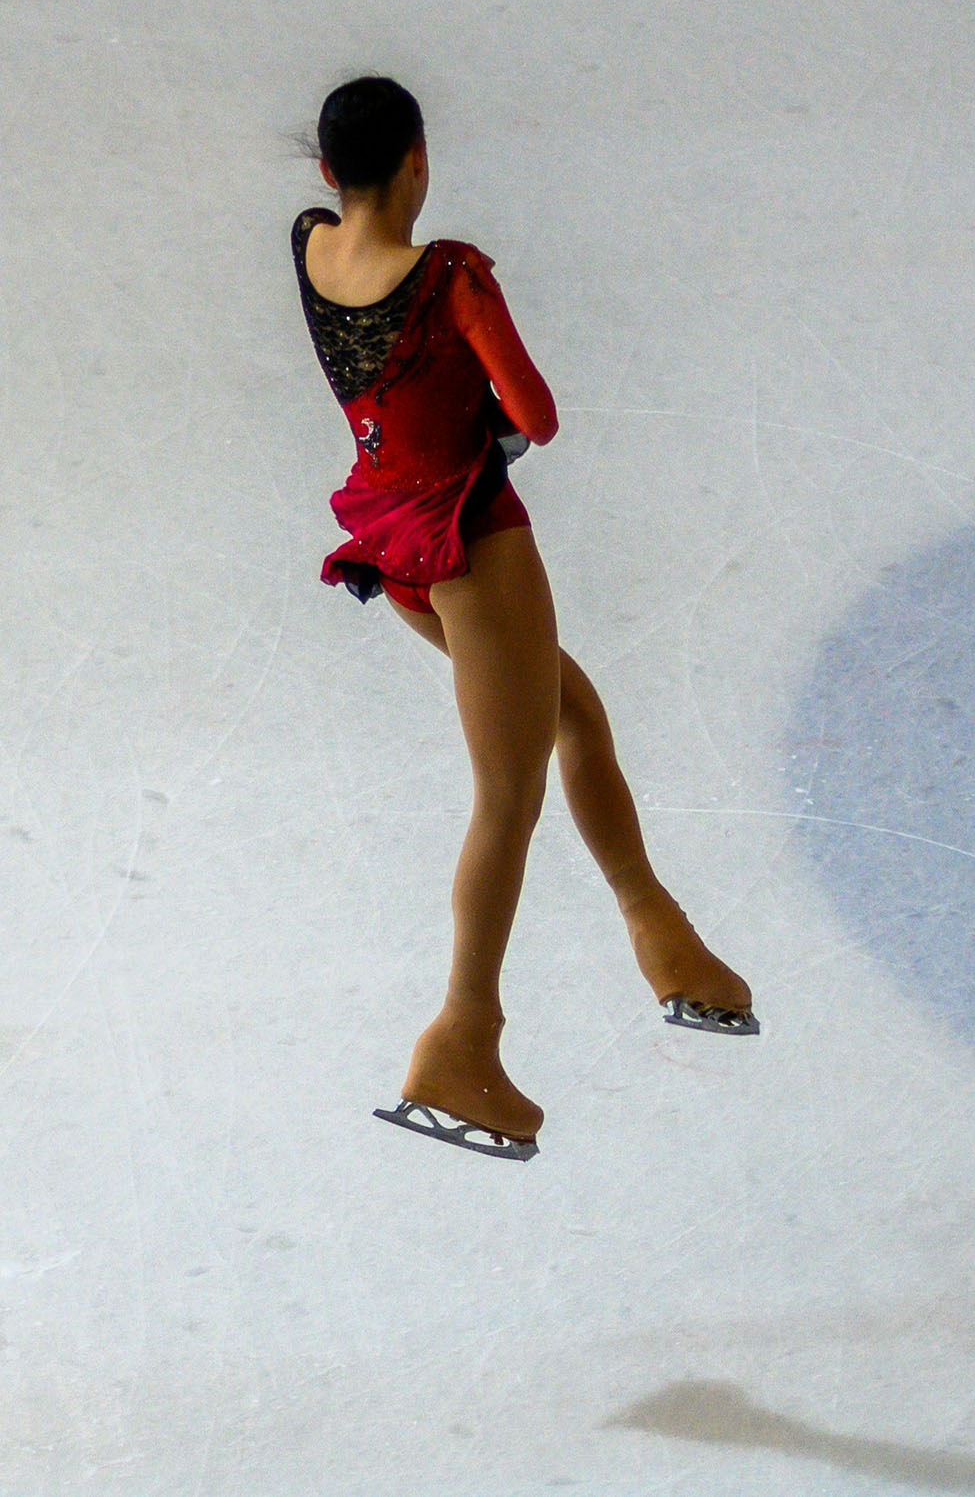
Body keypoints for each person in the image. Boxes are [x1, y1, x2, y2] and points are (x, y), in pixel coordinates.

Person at [291, 76, 757, 1161]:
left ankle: (666, 938)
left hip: (390, 541)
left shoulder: (310, 245)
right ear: (417, 160)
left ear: (327, 173)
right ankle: (464, 1037)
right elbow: (536, 415)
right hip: (470, 542)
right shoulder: (447, 275)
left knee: (573, 715)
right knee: (508, 793)